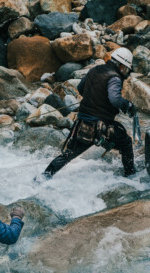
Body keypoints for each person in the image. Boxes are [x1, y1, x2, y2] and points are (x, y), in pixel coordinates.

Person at [42, 48, 138, 178]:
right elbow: (114, 99)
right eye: (126, 69)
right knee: (125, 142)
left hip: (82, 124)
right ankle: (131, 176)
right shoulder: (115, 77)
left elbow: (81, 88)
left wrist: (95, 98)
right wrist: (128, 105)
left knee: (68, 154)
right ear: (121, 66)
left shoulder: (94, 70)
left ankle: (44, 176)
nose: (125, 72)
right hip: (100, 126)